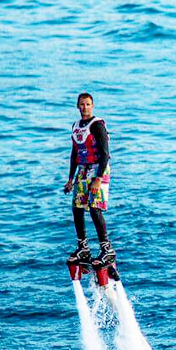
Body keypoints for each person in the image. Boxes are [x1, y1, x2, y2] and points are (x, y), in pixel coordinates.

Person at [63, 93, 116, 266]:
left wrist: (99, 178)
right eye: (81, 104)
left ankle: (107, 249)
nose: (84, 107)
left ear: (92, 106)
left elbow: (106, 154)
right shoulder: (76, 126)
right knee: (77, 207)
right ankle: (83, 248)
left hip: (98, 169)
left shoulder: (97, 125)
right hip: (83, 170)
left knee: (94, 209)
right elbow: (74, 154)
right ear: (77, 106)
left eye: (87, 104)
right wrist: (70, 179)